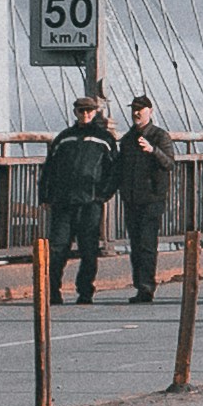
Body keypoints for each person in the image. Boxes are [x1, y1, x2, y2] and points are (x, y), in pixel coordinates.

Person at [40, 93, 122, 301]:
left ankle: (85, 291)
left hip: (90, 202)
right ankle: (52, 292)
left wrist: (103, 194)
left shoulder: (104, 139)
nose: (85, 114)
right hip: (63, 202)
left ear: (95, 113)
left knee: (89, 249)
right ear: (75, 112)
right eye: (81, 111)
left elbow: (114, 170)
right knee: (57, 248)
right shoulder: (64, 137)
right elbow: (49, 168)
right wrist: (45, 195)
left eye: (89, 111)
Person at [115, 96, 176, 299]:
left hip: (152, 197)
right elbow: (119, 168)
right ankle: (140, 284)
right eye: (133, 109)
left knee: (147, 243)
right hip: (131, 198)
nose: (136, 113)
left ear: (150, 111)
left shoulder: (160, 136)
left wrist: (153, 151)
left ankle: (146, 287)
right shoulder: (127, 139)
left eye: (140, 109)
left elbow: (169, 164)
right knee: (135, 244)